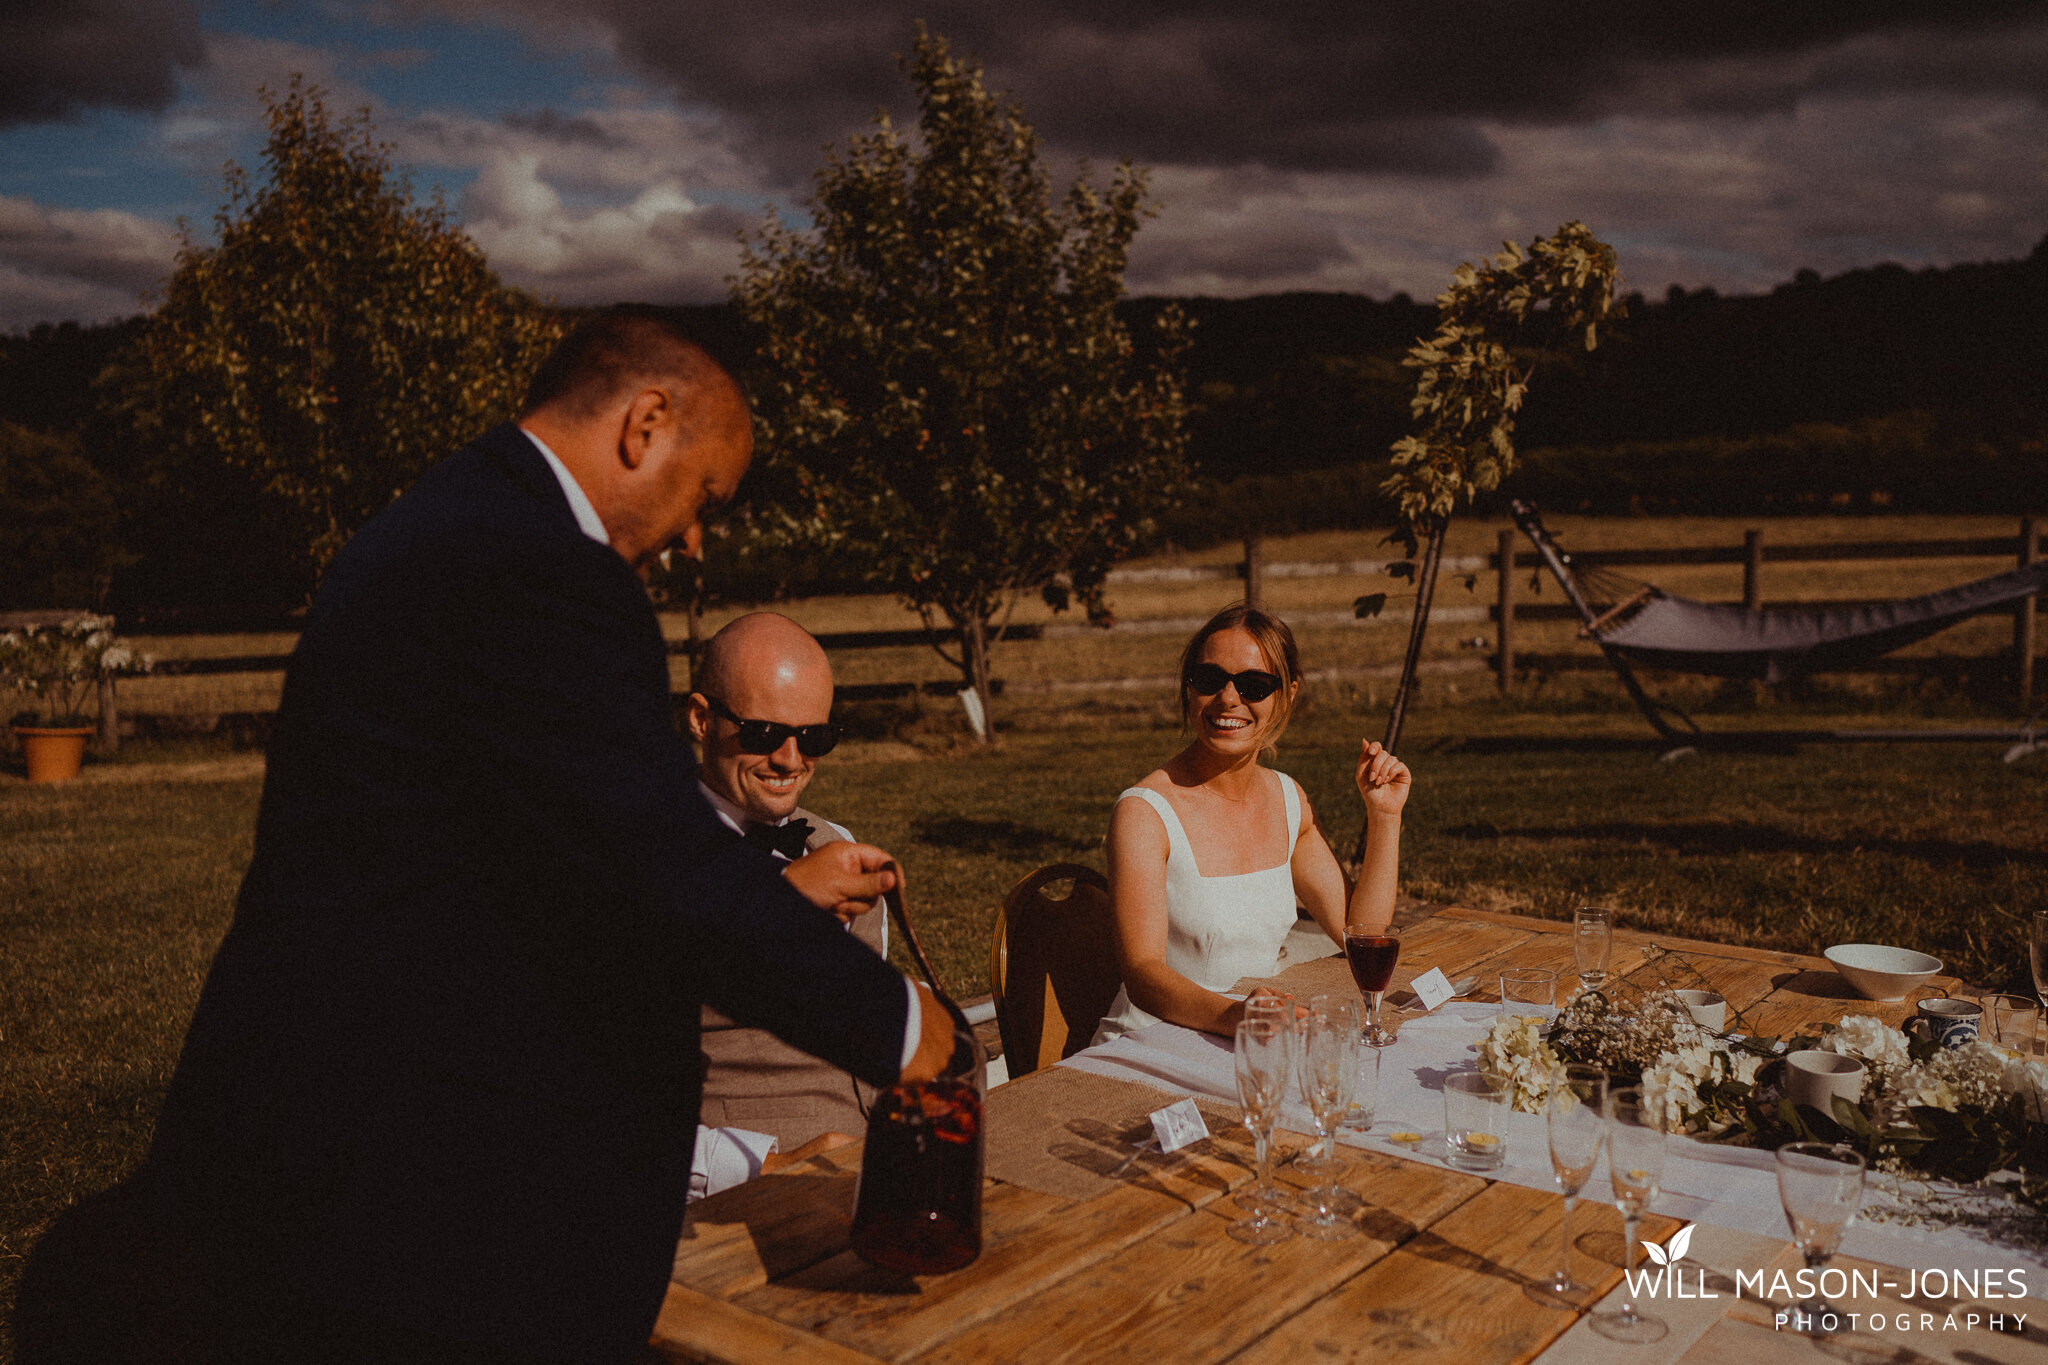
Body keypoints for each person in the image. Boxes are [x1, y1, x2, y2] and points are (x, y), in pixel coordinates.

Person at [130, 309, 955, 1364]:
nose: (695, 536)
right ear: (643, 421)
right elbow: (661, 865)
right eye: (705, 495)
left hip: (327, 1132)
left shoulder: (438, 521)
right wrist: (897, 1024)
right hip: (394, 1181)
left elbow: (545, 868)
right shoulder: (544, 571)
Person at [1092, 604, 1412, 1044]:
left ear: (1288, 694)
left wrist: (1384, 815)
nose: (1227, 698)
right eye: (1209, 679)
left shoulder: (1288, 799)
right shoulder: (1144, 812)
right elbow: (1143, 975)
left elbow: (1362, 934)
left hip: (1252, 1040)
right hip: (1153, 1042)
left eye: (1254, 685)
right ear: (1189, 688)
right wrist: (1238, 1017)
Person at [683, 611, 882, 1194]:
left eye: (814, 737)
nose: (791, 761)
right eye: (765, 734)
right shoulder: (637, 861)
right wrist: (764, 1165)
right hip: (748, 1199)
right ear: (701, 719)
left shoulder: (835, 845)